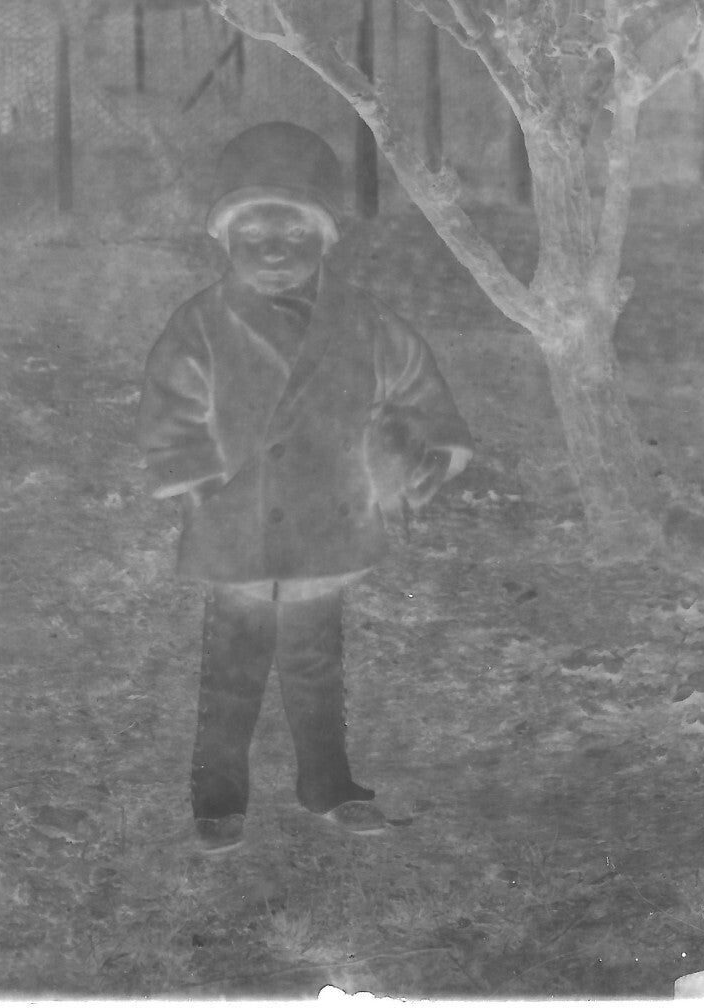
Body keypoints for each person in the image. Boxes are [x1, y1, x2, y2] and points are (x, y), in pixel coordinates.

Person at [138, 122, 473, 854]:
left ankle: (327, 779)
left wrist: (424, 450)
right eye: (253, 231)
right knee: (234, 656)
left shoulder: (361, 320)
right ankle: (219, 786)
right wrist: (196, 479)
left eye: (293, 230)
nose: (273, 246)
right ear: (225, 239)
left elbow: (418, 385)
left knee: (317, 657)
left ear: (325, 238)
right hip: (238, 514)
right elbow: (171, 403)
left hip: (329, 513)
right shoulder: (199, 322)